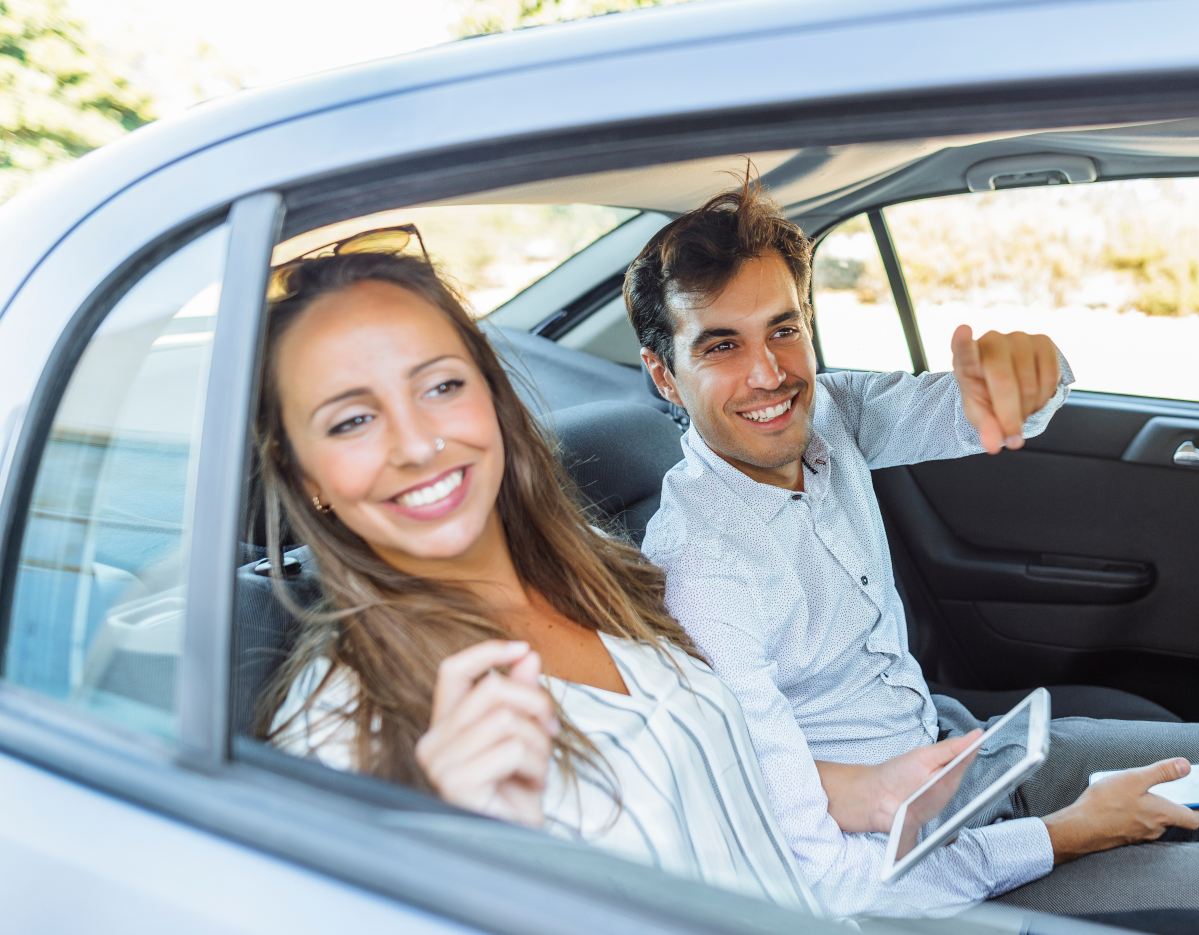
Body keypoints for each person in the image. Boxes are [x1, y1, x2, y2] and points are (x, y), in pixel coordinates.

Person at [627, 180, 1199, 934]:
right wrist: (1073, 831)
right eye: (722, 345)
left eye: (784, 329)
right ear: (663, 372)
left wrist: (1030, 371)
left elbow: (979, 405)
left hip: (963, 760)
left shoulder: (830, 416)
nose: (769, 372)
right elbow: (834, 887)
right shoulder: (701, 573)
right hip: (905, 878)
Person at [250, 246, 993, 916]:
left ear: (493, 399)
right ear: (301, 472)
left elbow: (701, 777)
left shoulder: (599, 570)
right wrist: (466, 862)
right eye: (350, 420)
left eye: (441, 386)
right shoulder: (342, 725)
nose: (416, 442)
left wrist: (865, 792)